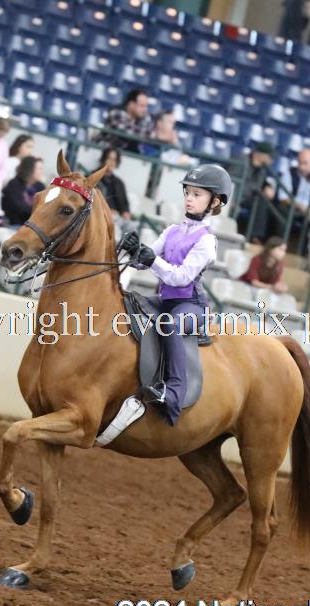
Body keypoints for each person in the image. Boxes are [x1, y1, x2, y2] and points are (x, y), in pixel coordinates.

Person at [120, 164, 232, 426]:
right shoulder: (172, 230)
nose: (189, 199)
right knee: (127, 303)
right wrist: (134, 251)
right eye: (188, 193)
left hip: (191, 306)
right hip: (165, 300)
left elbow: (180, 277)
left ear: (214, 202)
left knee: (169, 325)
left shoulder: (207, 241)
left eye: (197, 194)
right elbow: (146, 259)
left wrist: (150, 260)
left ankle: (173, 392)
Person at [232, 141, 275, 241]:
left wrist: (268, 186)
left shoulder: (262, 169)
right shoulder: (242, 161)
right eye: (269, 157)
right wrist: (232, 200)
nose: (271, 161)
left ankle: (255, 236)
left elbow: (262, 182)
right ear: (260, 154)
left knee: (263, 200)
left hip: (248, 198)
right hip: (234, 197)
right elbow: (230, 181)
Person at [97, 88, 155, 153]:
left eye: (146, 106)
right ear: (131, 104)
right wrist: (145, 134)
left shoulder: (144, 118)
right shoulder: (116, 113)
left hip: (126, 154)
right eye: (142, 106)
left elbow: (150, 134)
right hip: (104, 151)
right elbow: (128, 134)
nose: (145, 109)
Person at [96, 147, 134, 235]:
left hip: (119, 218)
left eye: (114, 160)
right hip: (103, 217)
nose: (111, 162)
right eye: (109, 158)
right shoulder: (93, 178)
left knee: (134, 228)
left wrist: (125, 212)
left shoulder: (119, 182)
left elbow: (125, 204)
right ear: (103, 159)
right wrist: (108, 210)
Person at [1, 156, 45, 227]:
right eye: (39, 169)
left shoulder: (40, 186)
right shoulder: (14, 184)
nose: (42, 172)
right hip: (14, 224)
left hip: (33, 226)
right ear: (29, 169)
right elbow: (21, 209)